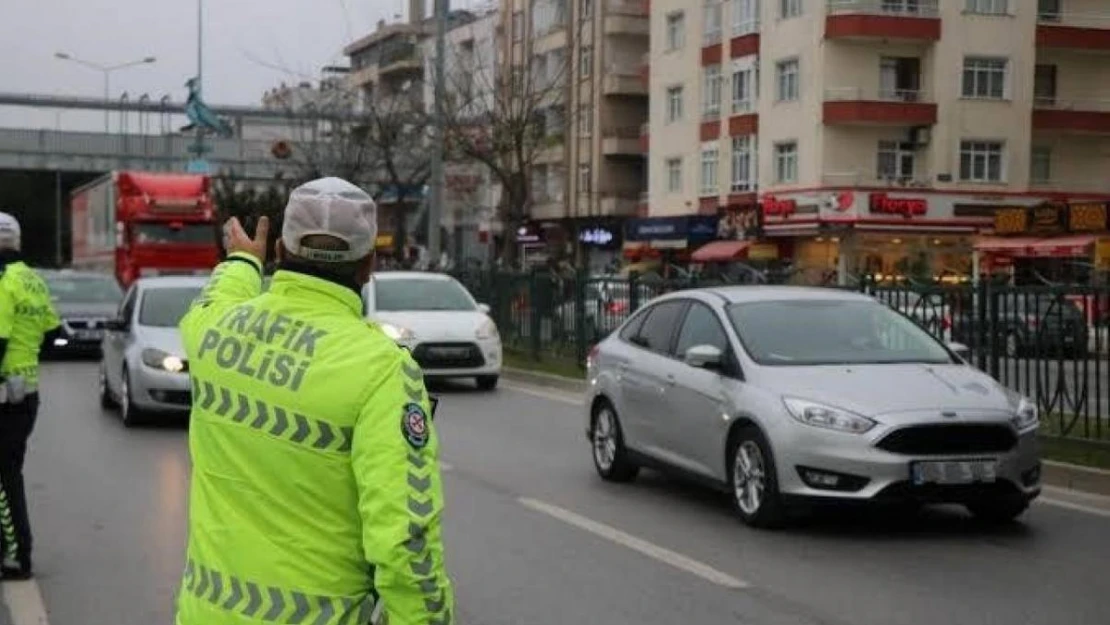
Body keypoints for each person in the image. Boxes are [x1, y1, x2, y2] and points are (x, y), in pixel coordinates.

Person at [175, 178, 454, 625]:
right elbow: (406, 536)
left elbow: (215, 298)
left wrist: (244, 260)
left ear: (282, 253)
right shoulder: (381, 368)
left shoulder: (213, 332)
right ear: (369, 266)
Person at [0, 212, 60, 580]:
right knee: (9, 474)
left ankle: (19, 555)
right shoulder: (34, 280)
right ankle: (12, 548)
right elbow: (53, 332)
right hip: (27, 394)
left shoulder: (3, 281)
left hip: (5, 394)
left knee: (5, 478)